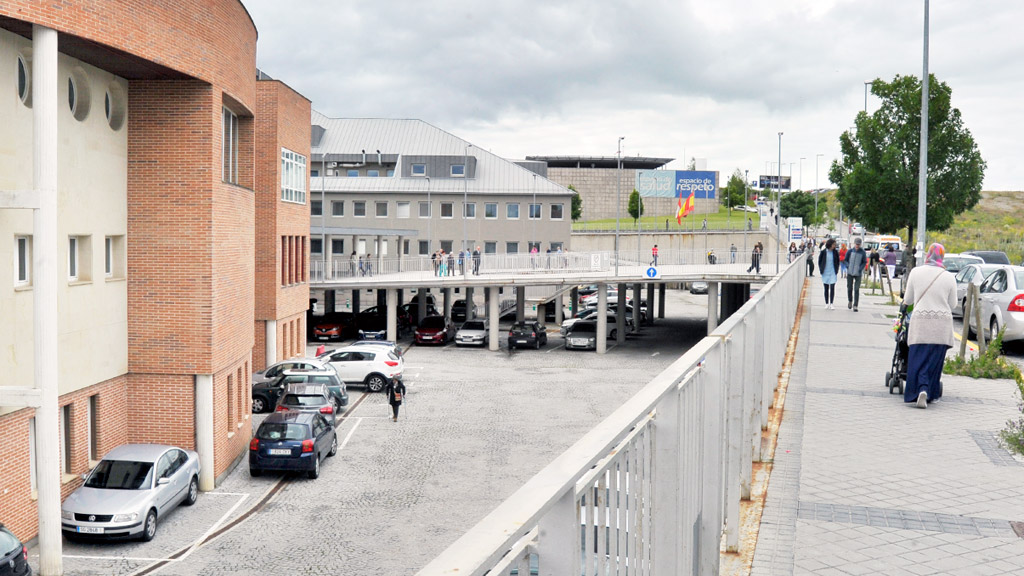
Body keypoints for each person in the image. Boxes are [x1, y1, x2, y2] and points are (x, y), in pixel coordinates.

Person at [902, 243, 956, 408]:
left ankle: (919, 389)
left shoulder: (916, 272)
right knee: (934, 361)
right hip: (942, 325)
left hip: (921, 324)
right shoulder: (948, 276)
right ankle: (929, 392)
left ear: (928, 255)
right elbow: (953, 304)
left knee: (917, 359)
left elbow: (908, 300)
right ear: (942, 256)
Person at [843, 237, 867, 311]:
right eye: (856, 244)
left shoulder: (862, 252)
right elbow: (845, 260)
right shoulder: (850, 251)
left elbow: (864, 262)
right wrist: (847, 266)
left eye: (858, 244)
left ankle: (855, 305)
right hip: (850, 272)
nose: (857, 246)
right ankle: (850, 300)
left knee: (856, 289)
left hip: (858, 273)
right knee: (849, 288)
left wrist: (860, 269)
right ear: (854, 244)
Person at [818, 238, 840, 309]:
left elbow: (837, 261)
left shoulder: (835, 252)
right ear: (830, 244)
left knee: (832, 287)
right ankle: (827, 303)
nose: (834, 246)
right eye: (833, 244)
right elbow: (820, 261)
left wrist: (837, 270)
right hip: (825, 272)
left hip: (833, 272)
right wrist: (821, 269)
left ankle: (831, 303)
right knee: (826, 288)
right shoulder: (824, 252)